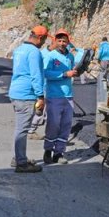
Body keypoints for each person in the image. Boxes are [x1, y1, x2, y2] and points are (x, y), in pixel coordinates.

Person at [8, 25, 49, 173]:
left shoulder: (19, 49)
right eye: (44, 39)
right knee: (22, 129)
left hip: (15, 91)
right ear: (39, 38)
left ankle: (18, 157)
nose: (44, 43)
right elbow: (36, 75)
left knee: (20, 128)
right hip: (26, 94)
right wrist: (40, 96)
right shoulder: (34, 52)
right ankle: (21, 163)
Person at [42, 29, 77, 165]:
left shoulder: (70, 57)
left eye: (64, 41)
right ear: (55, 41)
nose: (62, 43)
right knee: (53, 124)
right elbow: (46, 74)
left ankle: (59, 153)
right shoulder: (51, 56)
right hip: (54, 96)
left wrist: (75, 73)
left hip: (68, 96)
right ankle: (48, 151)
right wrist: (64, 74)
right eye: (59, 41)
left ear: (68, 42)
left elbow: (71, 72)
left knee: (66, 125)